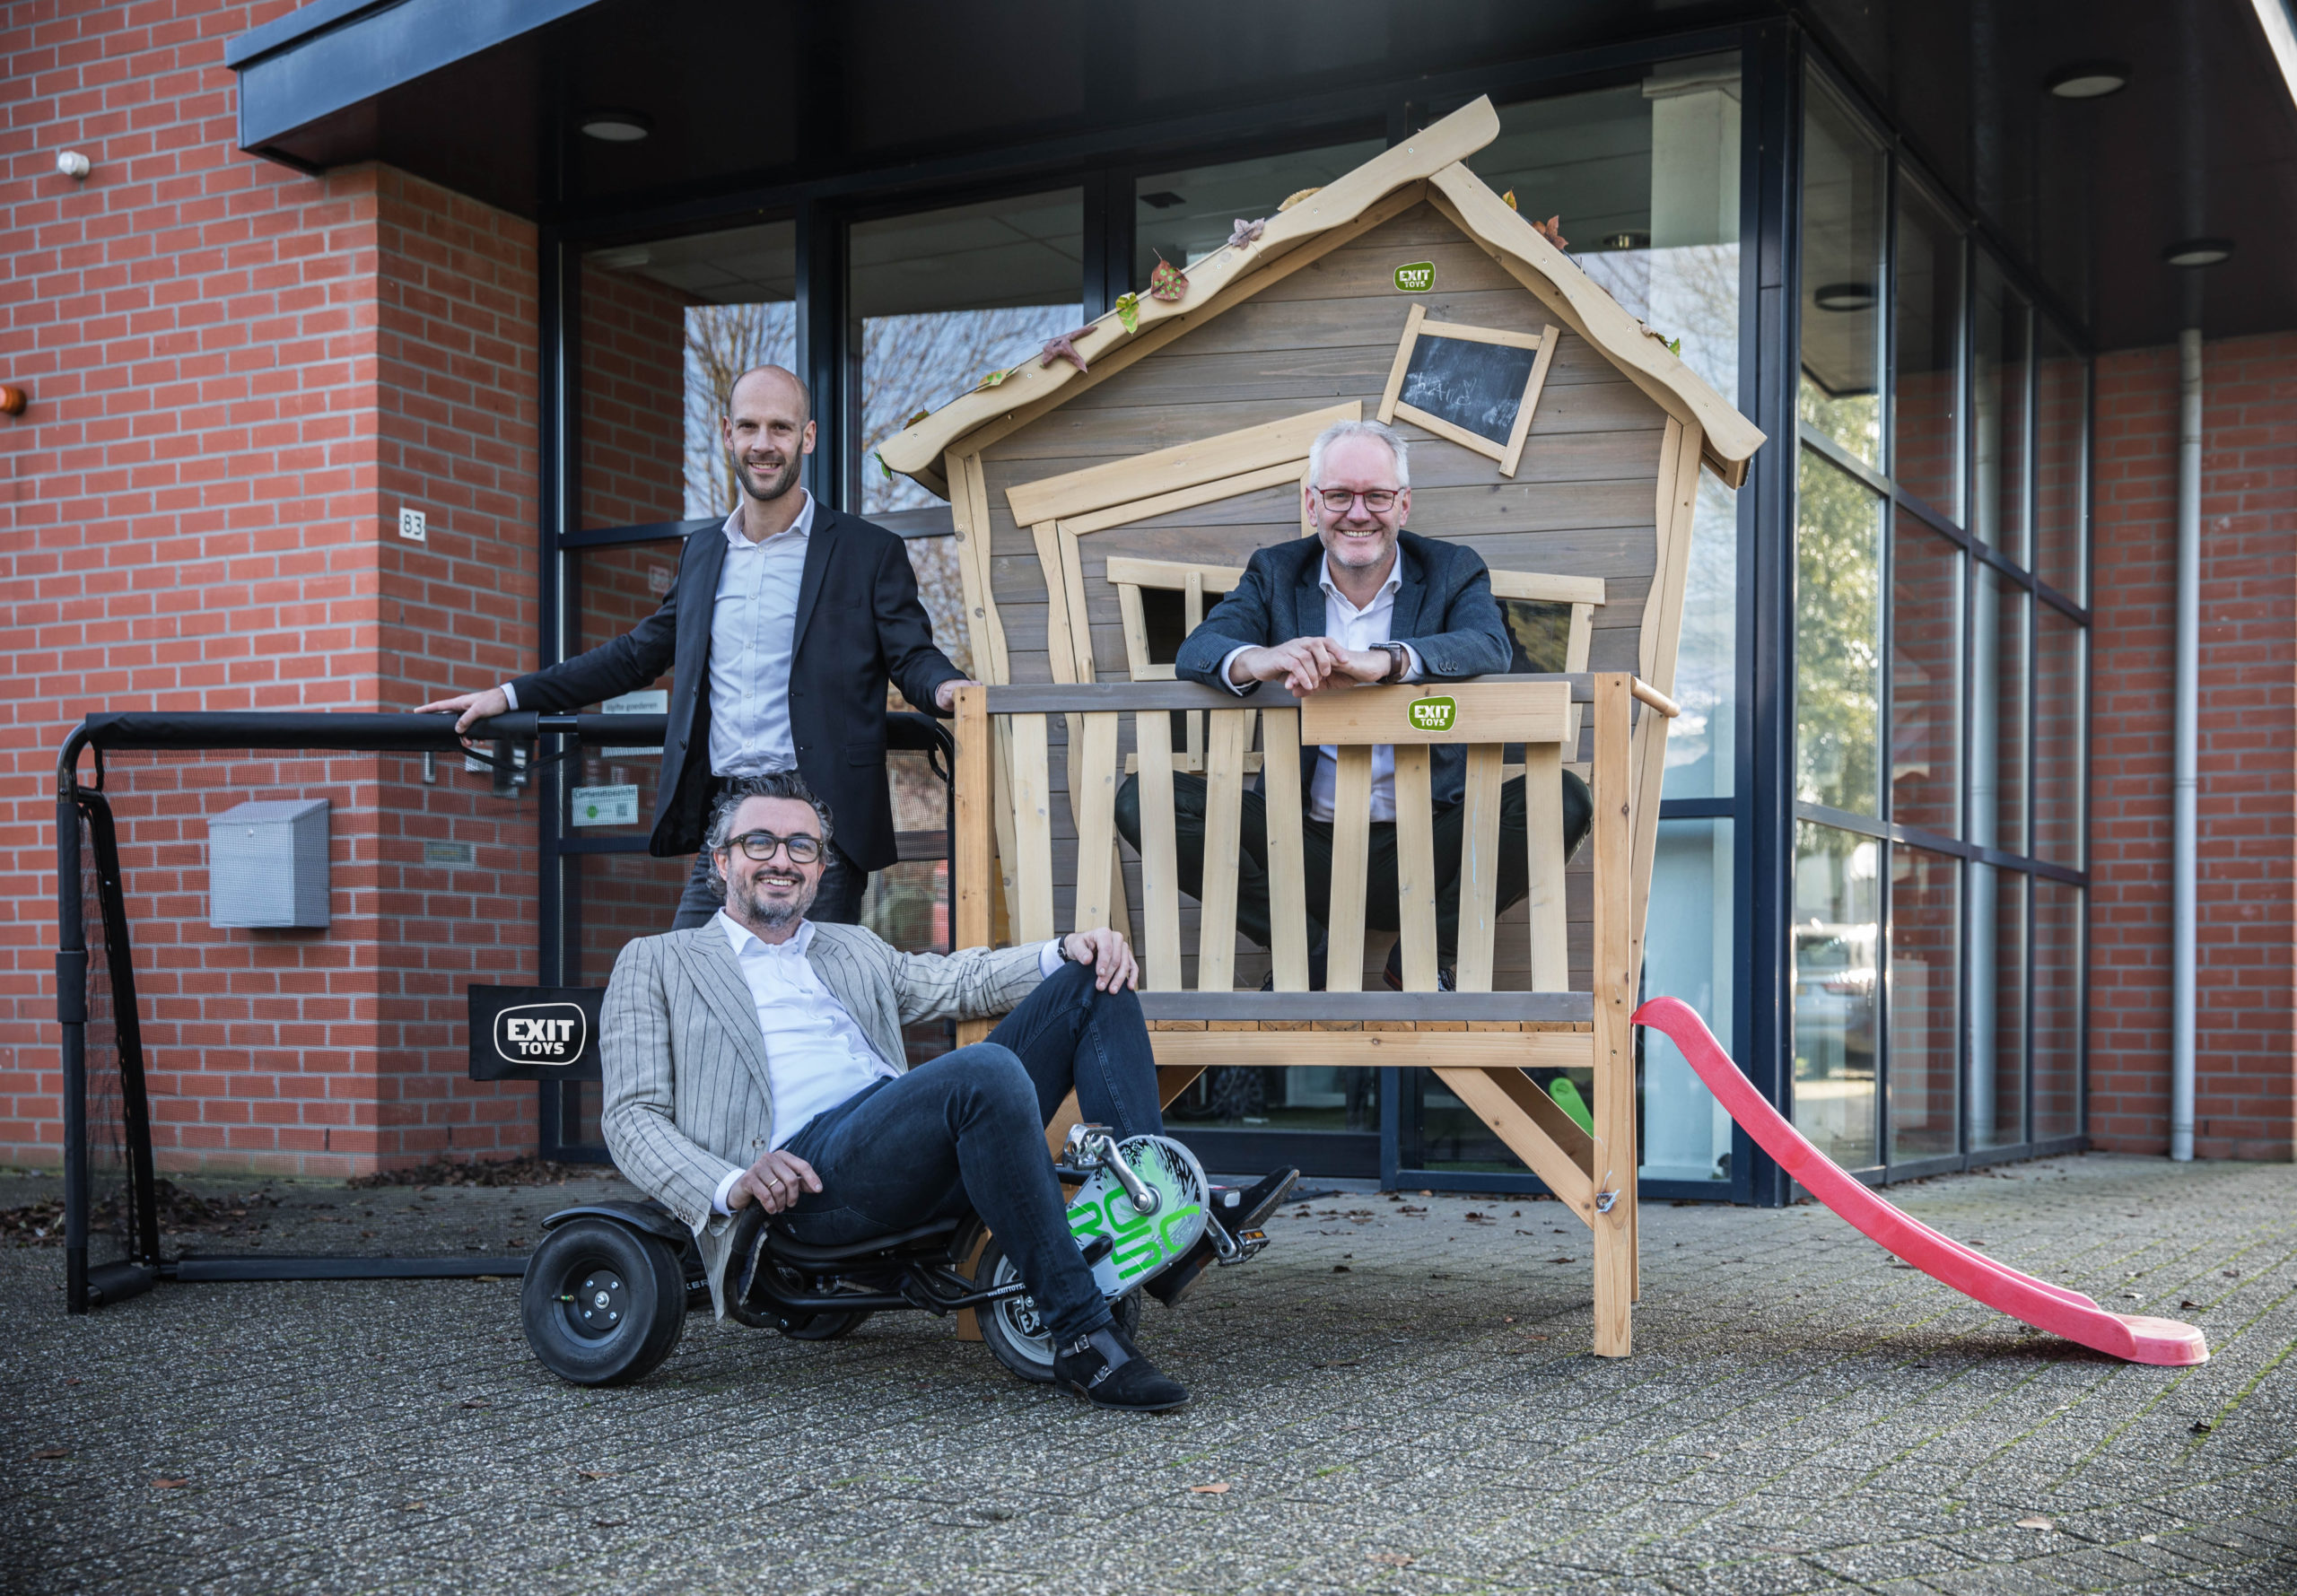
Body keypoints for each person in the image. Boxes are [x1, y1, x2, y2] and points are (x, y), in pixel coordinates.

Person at [599, 772, 1295, 1411]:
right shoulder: (658, 962)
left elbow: (960, 981)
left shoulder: (849, 948)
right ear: (721, 859)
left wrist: (1068, 948)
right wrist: (731, 1182)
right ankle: (1083, 1336)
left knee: (1096, 980)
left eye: (802, 845)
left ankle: (1157, 1200)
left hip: (896, 1141)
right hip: (806, 1181)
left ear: (818, 867)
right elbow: (631, 1117)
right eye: (760, 841)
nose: (782, 858)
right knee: (981, 1072)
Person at [420, 365, 970, 927]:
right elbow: (636, 656)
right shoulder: (704, 553)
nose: (763, 444)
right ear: (727, 433)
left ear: (806, 437)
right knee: (693, 986)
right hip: (725, 816)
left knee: (806, 1002)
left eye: (780, 428)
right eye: (750, 427)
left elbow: (910, 655)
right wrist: (510, 696)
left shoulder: (868, 551)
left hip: (821, 819)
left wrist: (949, 688)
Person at [1115, 418, 1593, 990]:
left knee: (1561, 799)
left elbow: (1487, 643)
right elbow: (1200, 650)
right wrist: (1262, 660)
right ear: (1312, 503)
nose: (1358, 512)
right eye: (1339, 495)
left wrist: (1388, 662)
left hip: (1433, 846)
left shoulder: (1452, 569)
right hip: (1300, 847)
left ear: (1404, 505)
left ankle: (1424, 953)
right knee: (1144, 797)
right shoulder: (1275, 572)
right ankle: (1303, 950)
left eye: (1377, 496)